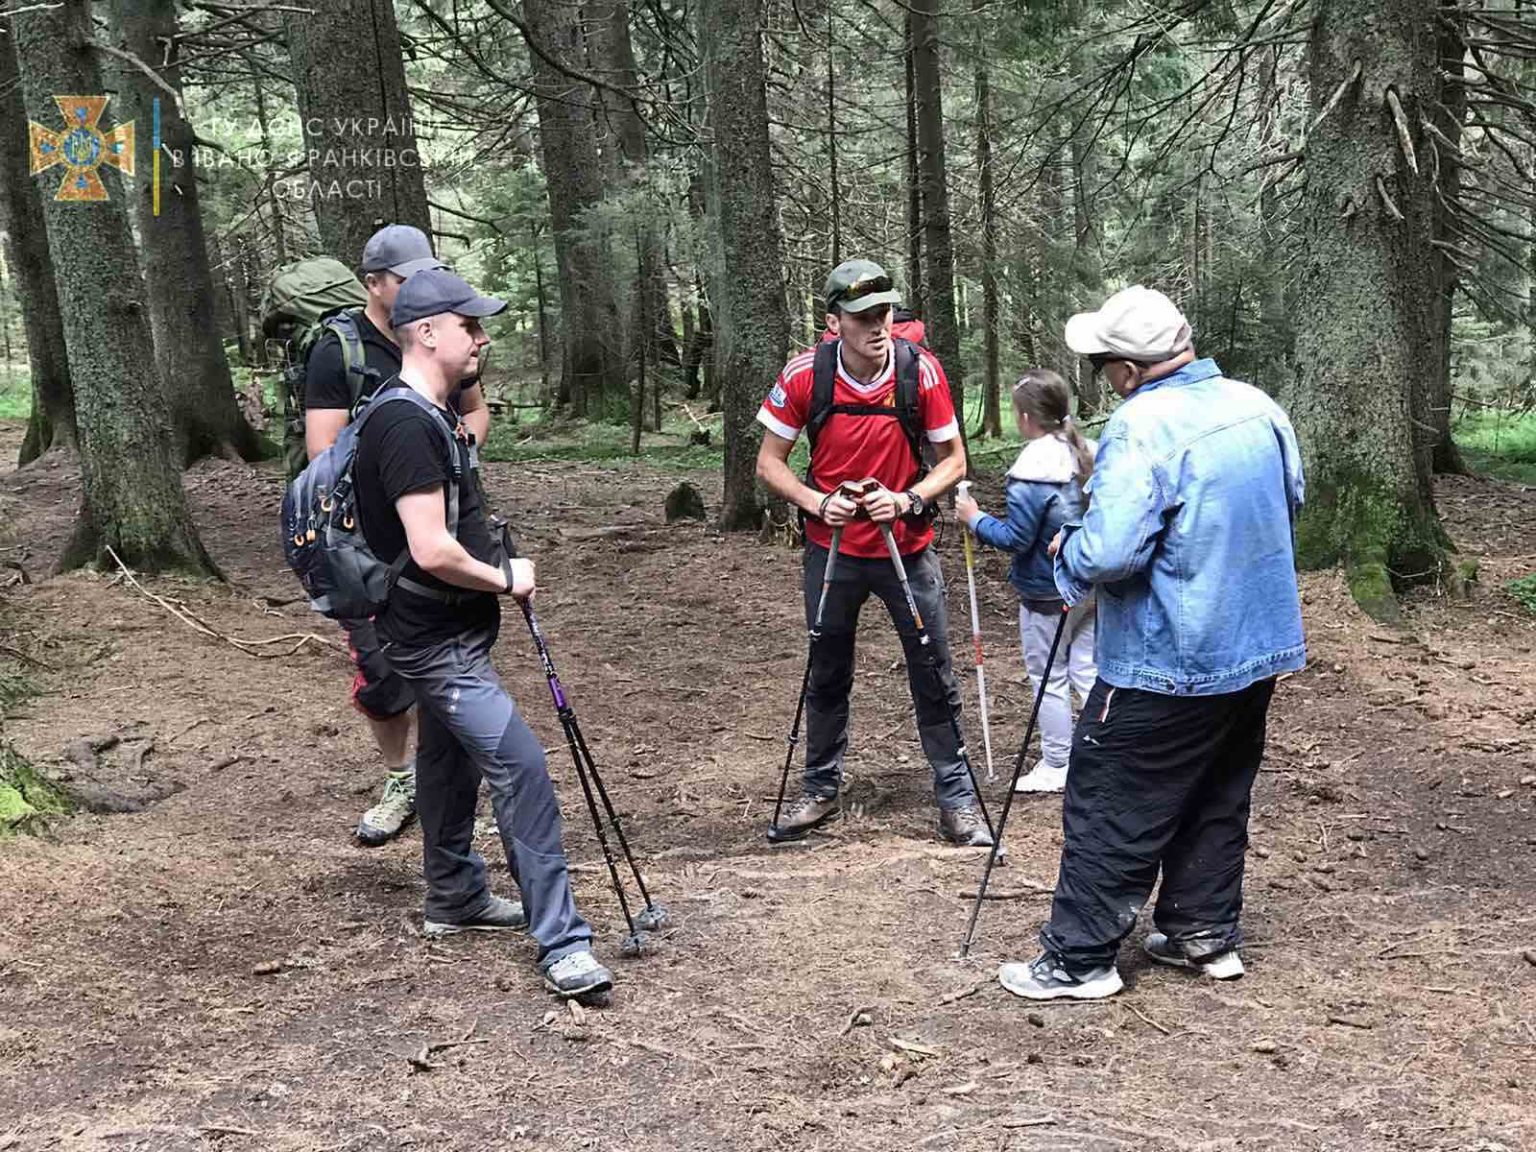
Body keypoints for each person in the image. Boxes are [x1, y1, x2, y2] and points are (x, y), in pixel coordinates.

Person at [997, 285, 1306, 1002]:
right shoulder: (1257, 405)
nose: (1103, 377)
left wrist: (1069, 549)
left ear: (1130, 369)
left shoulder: (1141, 425)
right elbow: (1291, 500)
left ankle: (1079, 960)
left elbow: (1111, 554)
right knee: (1217, 787)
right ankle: (1203, 931)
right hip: (1255, 645)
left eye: (1104, 364)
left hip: (1168, 657)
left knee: (1110, 794)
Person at [352, 267, 612, 1000]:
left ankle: (454, 895)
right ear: (426, 332)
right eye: (469, 325)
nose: (480, 337)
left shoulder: (430, 412)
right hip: (431, 642)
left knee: (446, 760)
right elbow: (432, 549)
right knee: (520, 766)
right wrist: (505, 578)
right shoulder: (406, 423)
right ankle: (563, 944)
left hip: (446, 631)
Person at [755, 258, 992, 847]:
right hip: (832, 549)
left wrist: (908, 498)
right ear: (834, 321)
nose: (877, 325)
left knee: (932, 670)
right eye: (862, 316)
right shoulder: (806, 374)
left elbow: (954, 462)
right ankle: (820, 787)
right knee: (827, 667)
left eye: (883, 312)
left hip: (906, 549)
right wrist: (817, 502)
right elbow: (768, 463)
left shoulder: (921, 371)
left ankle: (957, 798)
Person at [304, 224, 493, 848]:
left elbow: (475, 411)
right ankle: (399, 779)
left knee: (451, 655)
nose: (417, 285)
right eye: (404, 278)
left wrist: (451, 460)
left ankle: (445, 787)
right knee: (382, 669)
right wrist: (405, 471)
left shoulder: (446, 333)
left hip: (438, 524)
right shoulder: (340, 350)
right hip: (367, 544)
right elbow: (323, 448)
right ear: (373, 284)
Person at [954, 369, 1098, 795]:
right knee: (1087, 668)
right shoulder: (1087, 453)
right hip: (1091, 582)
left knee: (1049, 675)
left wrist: (974, 519)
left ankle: (1058, 763)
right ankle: (1105, 752)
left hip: (1047, 591)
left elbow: (1017, 539)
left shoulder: (1033, 471)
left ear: (1024, 418)